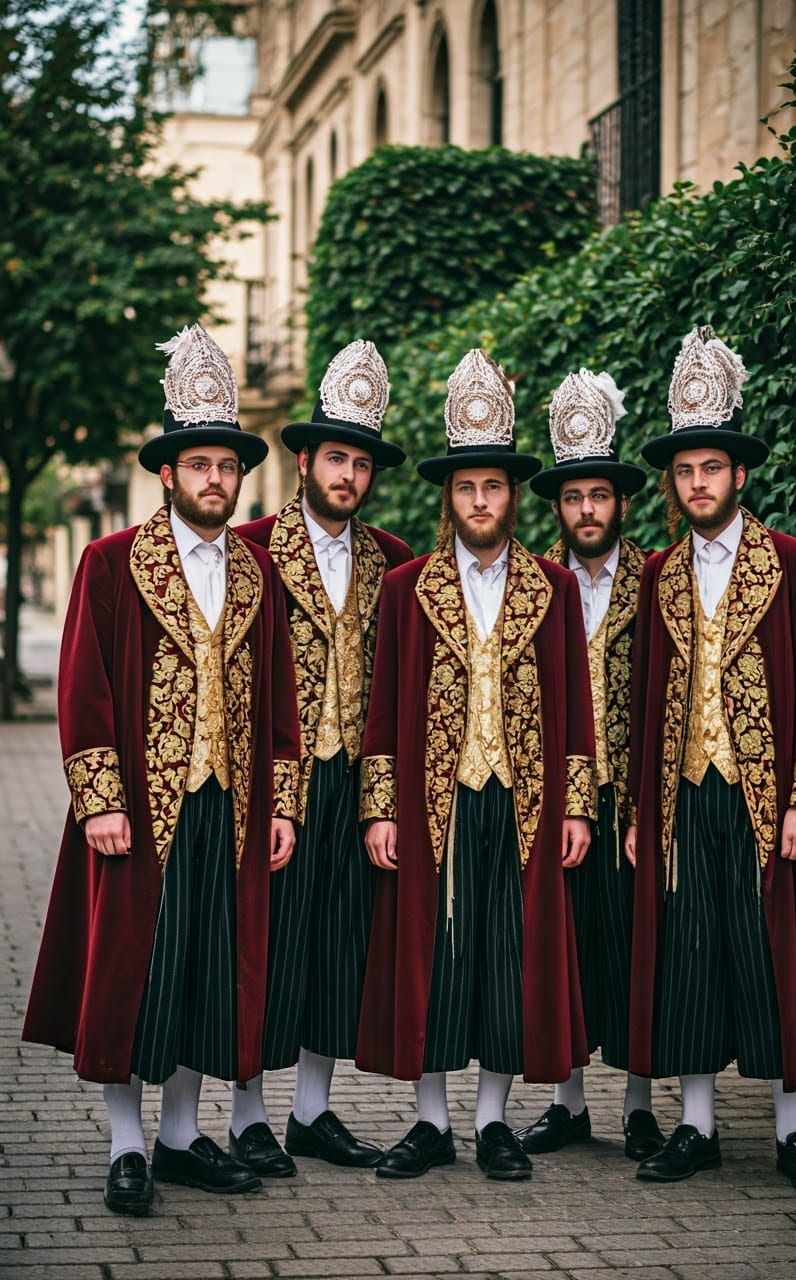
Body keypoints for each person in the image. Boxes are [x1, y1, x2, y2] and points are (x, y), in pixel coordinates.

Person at [23, 326, 301, 1215]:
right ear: (167, 474)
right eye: (200, 466)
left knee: (204, 971)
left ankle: (182, 1135)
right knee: (128, 973)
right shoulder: (110, 563)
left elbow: (283, 699)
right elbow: (83, 684)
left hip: (233, 807)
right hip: (139, 810)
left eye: (227, 467)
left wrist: (284, 807)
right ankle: (127, 1144)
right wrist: (98, 797)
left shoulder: (258, 573)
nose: (216, 479)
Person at [355, 349, 595, 1182]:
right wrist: (379, 807)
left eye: (492, 486)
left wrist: (576, 805)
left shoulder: (554, 588)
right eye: (465, 488)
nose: (480, 500)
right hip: (432, 803)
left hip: (522, 801)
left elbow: (576, 708)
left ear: (512, 494)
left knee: (507, 952)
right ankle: (430, 1122)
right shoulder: (407, 589)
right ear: (448, 497)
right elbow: (381, 706)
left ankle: (493, 1120)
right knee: (432, 954)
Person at [625, 326, 796, 1192]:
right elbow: (646, 700)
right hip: (686, 798)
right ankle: (697, 1126)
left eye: (709, 469)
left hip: (767, 801)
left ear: (739, 475)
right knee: (690, 957)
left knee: (774, 956)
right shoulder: (659, 577)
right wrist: (643, 815)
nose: (695, 484)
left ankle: (794, 1132)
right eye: (683, 473)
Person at [231, 341, 413, 1175]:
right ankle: (245, 1116)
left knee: (342, 943)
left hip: (355, 780)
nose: (347, 473)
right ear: (303, 460)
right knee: (263, 941)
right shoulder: (253, 549)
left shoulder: (394, 559)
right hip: (278, 781)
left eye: (360, 462)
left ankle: (313, 1111)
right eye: (334, 457)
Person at [517, 367, 663, 1161]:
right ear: (558, 507)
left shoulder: (660, 579)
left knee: (639, 944)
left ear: (621, 501)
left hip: (638, 797)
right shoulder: (532, 585)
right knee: (565, 944)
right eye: (573, 498)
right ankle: (570, 1103)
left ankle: (640, 1104)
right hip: (553, 801)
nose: (586, 511)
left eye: (599, 496)